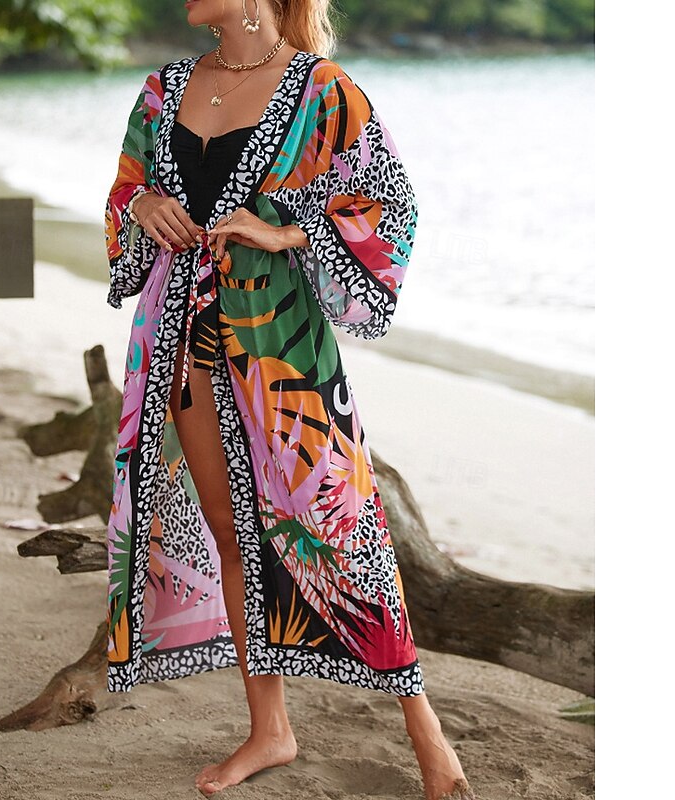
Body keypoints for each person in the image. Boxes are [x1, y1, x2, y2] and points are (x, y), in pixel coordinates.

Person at [103, 2, 475, 798]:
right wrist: (142, 206)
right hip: (183, 339)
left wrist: (285, 231)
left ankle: (424, 725)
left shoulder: (323, 91)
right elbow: (126, 190)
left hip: (282, 344)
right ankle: (270, 729)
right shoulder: (164, 90)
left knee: (343, 526)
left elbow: (390, 205)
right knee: (230, 533)